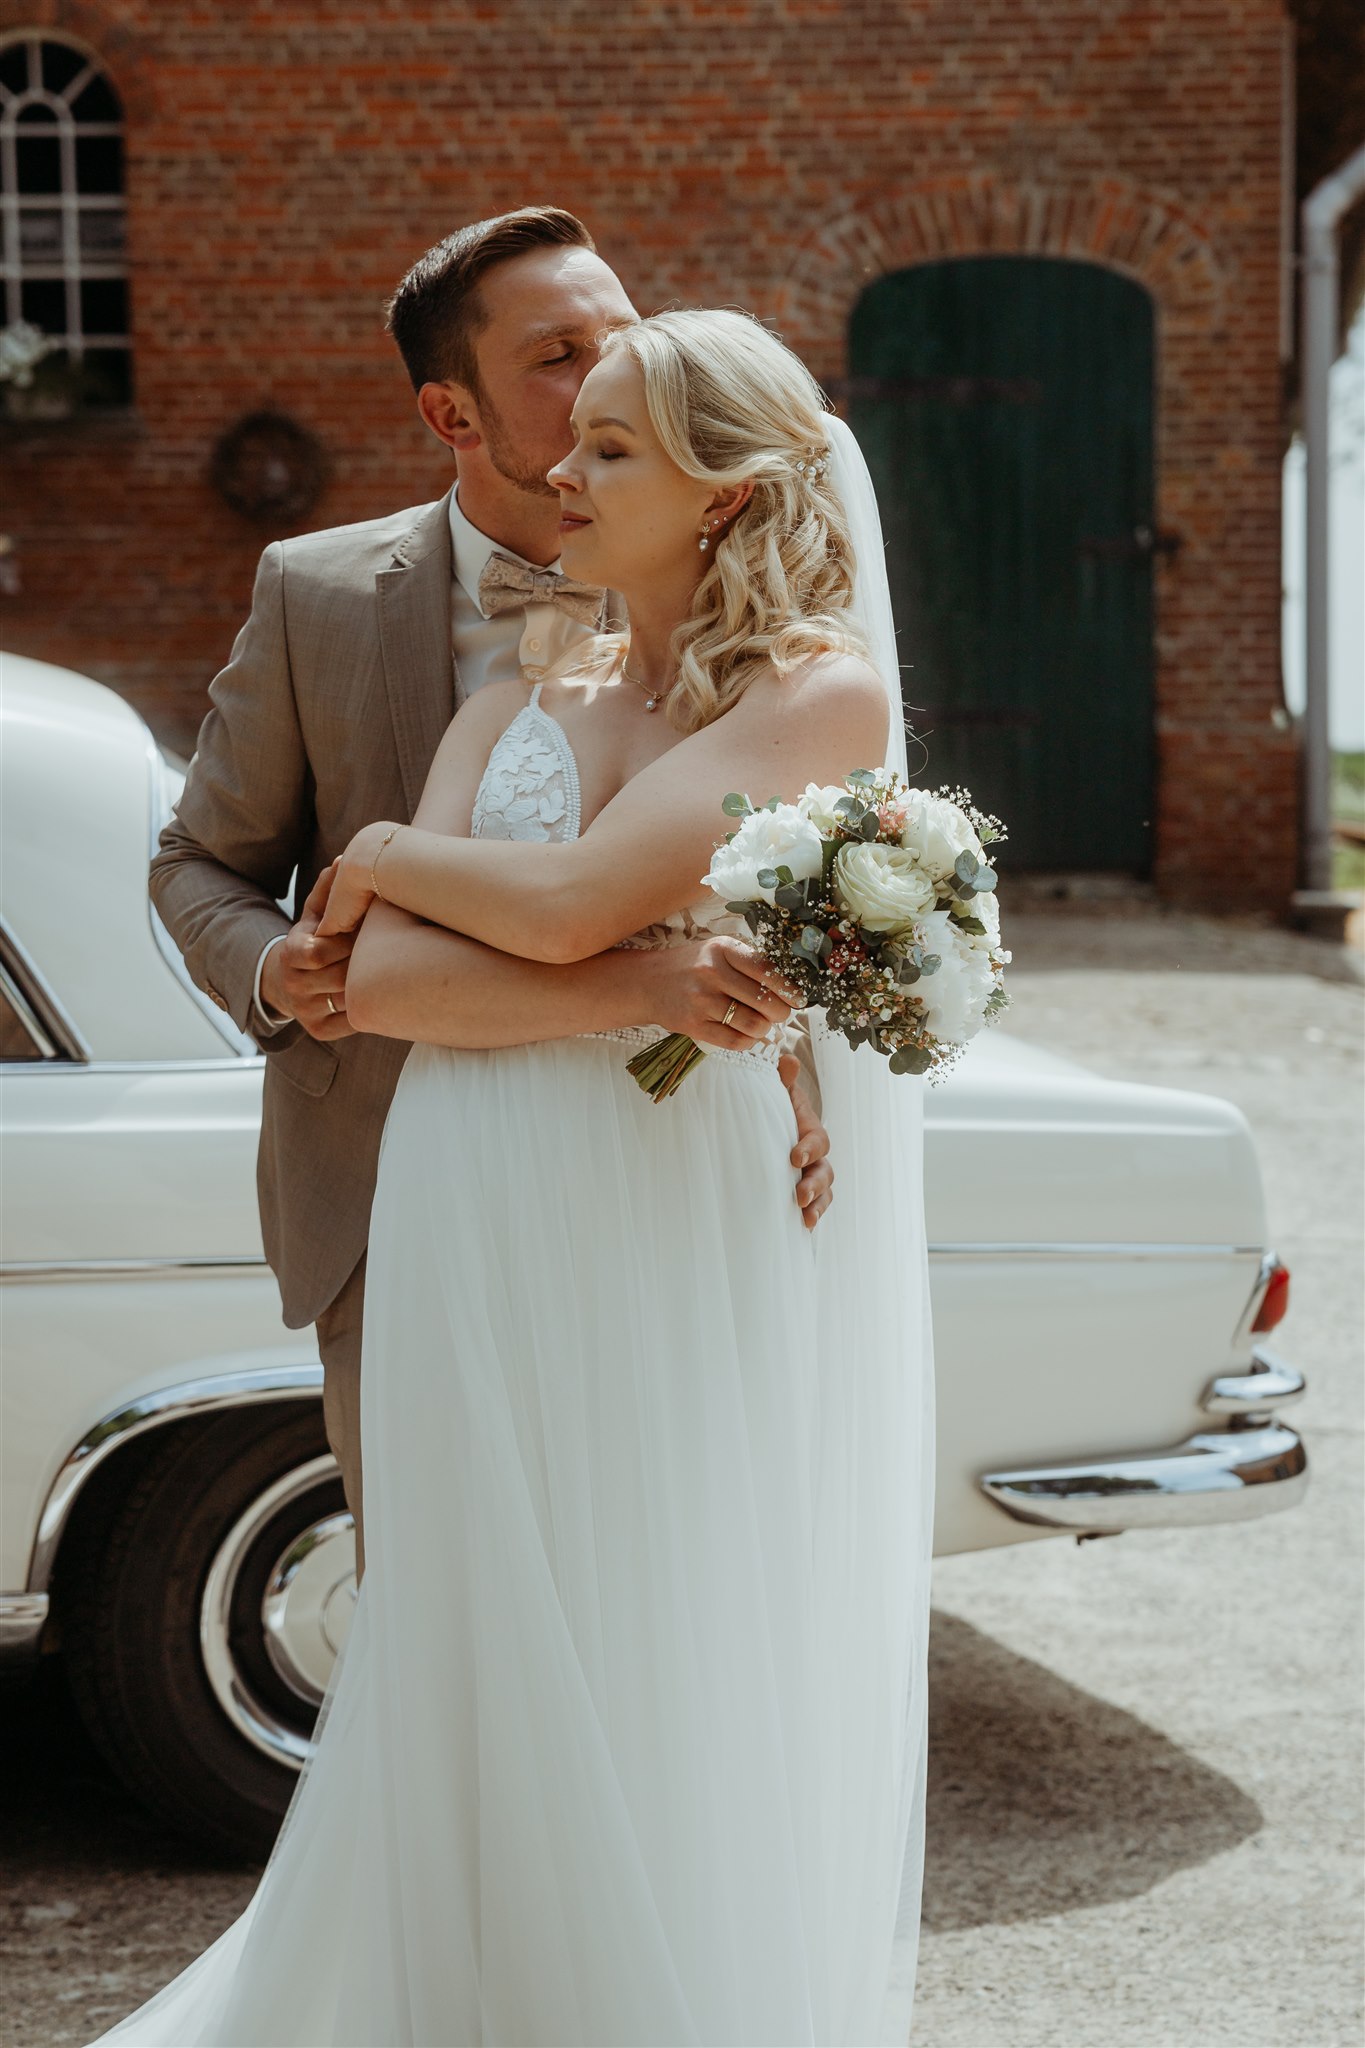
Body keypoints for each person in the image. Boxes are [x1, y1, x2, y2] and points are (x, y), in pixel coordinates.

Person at [92, 306, 935, 2048]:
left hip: (667, 1199)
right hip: (468, 1191)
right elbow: (391, 988)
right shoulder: (513, 697)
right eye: (577, 434)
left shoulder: (818, 693)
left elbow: (557, 903)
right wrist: (641, 984)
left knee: (658, 1600)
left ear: (721, 492)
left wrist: (387, 849)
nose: (563, 472)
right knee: (471, 1609)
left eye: (612, 447)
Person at [149, 208, 835, 1588]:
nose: (604, 374)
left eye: (622, 334)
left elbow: (793, 878)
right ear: (449, 413)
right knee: (446, 1606)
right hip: (396, 1178)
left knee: (672, 1575)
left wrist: (808, 1065)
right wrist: (280, 968)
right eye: (556, 355)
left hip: (672, 1171)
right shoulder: (318, 597)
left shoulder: (765, 632)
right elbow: (196, 862)